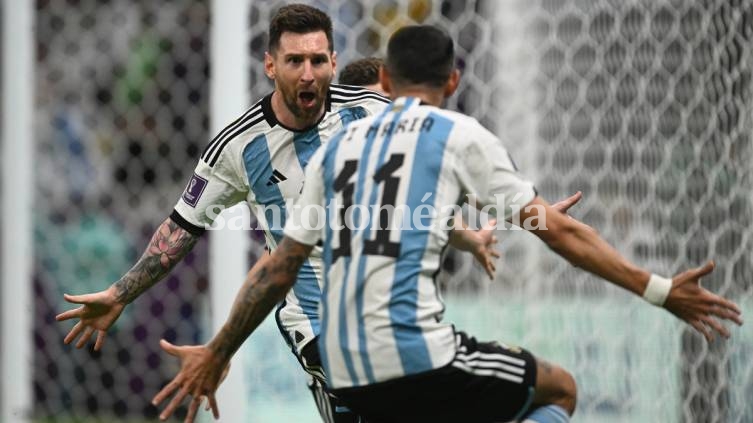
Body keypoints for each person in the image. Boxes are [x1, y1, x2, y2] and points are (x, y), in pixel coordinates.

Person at [150, 25, 743, 423]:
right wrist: (659, 290)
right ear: (453, 81)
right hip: (413, 352)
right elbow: (558, 234)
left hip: (342, 363)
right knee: (559, 388)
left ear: (382, 84)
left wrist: (218, 351)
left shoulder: (339, 150)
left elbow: (277, 267)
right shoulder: (459, 136)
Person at [55, 5, 498, 423]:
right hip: (315, 322)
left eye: (318, 60)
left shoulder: (367, 112)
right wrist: (120, 293)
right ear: (271, 66)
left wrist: (511, 209)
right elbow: (179, 230)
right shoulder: (237, 148)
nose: (308, 74)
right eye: (294, 61)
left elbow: (443, 162)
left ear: (332, 61)